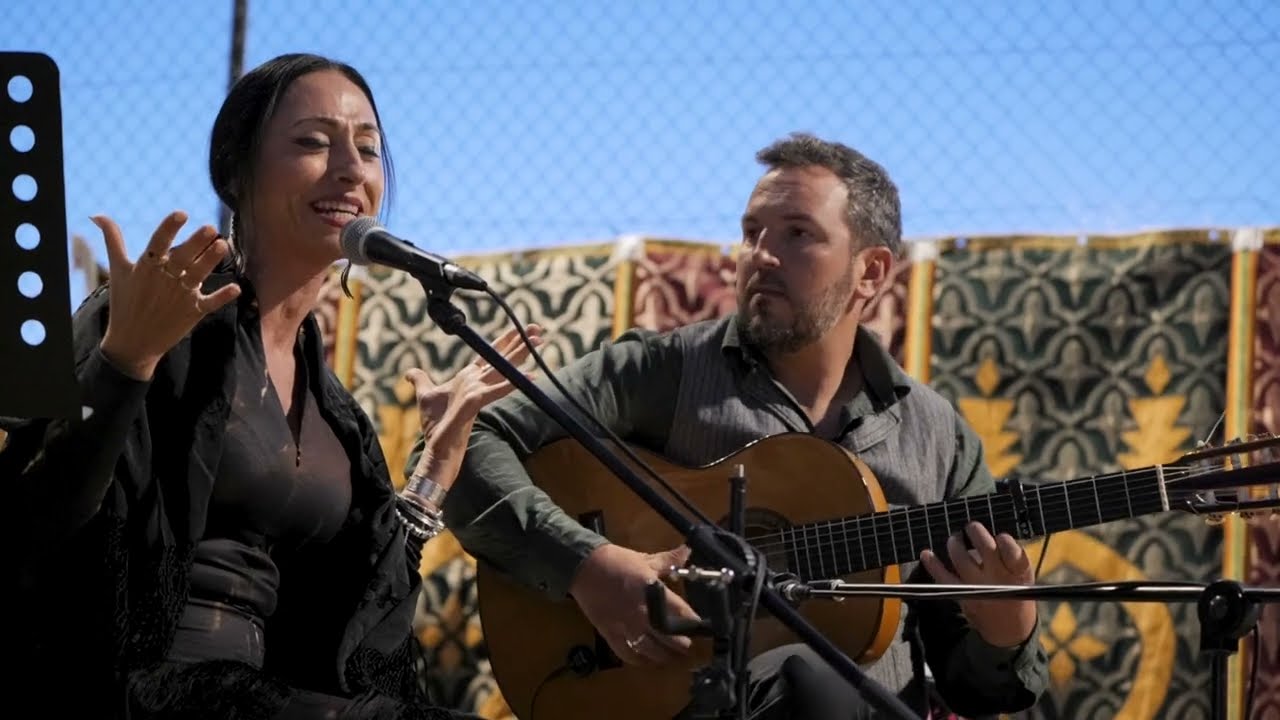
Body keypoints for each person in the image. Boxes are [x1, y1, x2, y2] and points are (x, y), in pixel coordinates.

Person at [426, 132, 1050, 718]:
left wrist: (1007, 628)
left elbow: (978, 687)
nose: (761, 255)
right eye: (752, 232)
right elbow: (471, 442)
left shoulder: (938, 439)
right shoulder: (661, 372)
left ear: (872, 271)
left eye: (798, 234)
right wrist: (588, 566)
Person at [0, 53, 540, 719]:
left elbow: (361, 611)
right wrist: (125, 364)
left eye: (367, 149)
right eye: (313, 142)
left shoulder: (336, 413)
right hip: (135, 693)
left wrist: (434, 471)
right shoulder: (149, 320)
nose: (349, 168)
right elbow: (31, 520)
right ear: (235, 173)